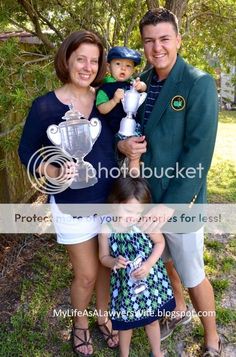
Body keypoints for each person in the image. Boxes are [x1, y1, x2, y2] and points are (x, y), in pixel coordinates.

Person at [117, 8, 222, 357]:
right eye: (149, 40)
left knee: (192, 272)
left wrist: (169, 205)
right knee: (165, 261)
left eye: (164, 38)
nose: (156, 47)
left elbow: (199, 152)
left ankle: (211, 338)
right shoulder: (142, 81)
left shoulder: (197, 82)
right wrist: (124, 145)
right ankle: (177, 308)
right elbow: (131, 130)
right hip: (144, 195)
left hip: (179, 200)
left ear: (178, 39)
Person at [18, 30, 119, 356]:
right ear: (67, 60)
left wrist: (127, 147)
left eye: (94, 60)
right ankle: (79, 324)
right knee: (87, 275)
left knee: (106, 267)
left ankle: (103, 316)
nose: (88, 66)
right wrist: (56, 171)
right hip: (71, 203)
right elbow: (26, 152)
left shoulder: (105, 99)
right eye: (81, 59)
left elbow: (116, 139)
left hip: (110, 201)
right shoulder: (45, 107)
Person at [99, 175, 176, 357]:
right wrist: (113, 262)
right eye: (127, 211)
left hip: (148, 281)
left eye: (137, 212)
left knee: (152, 320)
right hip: (125, 286)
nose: (131, 217)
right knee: (126, 324)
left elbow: (160, 243)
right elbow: (103, 257)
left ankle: (157, 353)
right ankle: (123, 354)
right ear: (114, 204)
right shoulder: (106, 229)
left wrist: (149, 265)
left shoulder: (144, 223)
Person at [96, 46, 147, 173]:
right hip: (114, 131)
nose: (123, 68)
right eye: (118, 64)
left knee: (136, 148)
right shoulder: (105, 87)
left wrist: (141, 86)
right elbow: (101, 108)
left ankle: (133, 176)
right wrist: (114, 101)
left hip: (133, 127)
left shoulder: (131, 84)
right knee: (115, 162)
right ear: (109, 67)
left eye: (128, 66)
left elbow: (144, 87)